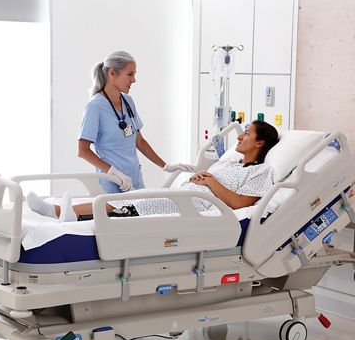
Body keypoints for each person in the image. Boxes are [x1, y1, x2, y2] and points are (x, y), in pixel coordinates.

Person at [26, 120, 279, 222]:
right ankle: (63, 211)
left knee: (126, 204)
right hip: (188, 195)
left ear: (260, 143)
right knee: (127, 199)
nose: (240, 136)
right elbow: (208, 180)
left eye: (247, 133)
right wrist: (198, 178)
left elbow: (238, 203)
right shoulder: (229, 163)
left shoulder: (261, 171)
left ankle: (59, 212)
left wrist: (210, 182)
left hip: (198, 206)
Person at [78, 50, 194, 193]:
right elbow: (83, 151)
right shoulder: (95, 106)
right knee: (118, 212)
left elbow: (139, 141)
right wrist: (114, 172)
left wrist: (166, 166)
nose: (134, 80)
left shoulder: (128, 101)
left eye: (134, 74)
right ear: (112, 73)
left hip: (134, 179)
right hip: (113, 182)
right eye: (130, 74)